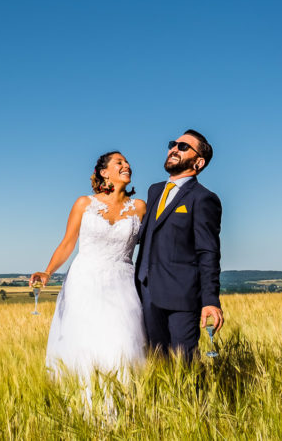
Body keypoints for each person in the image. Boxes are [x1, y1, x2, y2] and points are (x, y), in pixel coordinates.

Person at [30, 152, 148, 379]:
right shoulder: (84, 203)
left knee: (123, 342)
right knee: (85, 343)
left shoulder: (140, 208)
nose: (127, 165)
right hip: (85, 281)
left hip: (122, 283)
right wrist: (48, 271)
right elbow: (67, 243)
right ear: (104, 173)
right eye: (119, 162)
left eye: (127, 162)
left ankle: (121, 407)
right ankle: (84, 408)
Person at [134, 129, 223, 361]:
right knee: (156, 364)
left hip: (181, 298)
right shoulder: (154, 191)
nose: (174, 148)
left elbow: (208, 252)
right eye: (173, 144)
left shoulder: (204, 198)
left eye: (183, 147)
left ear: (199, 162)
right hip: (145, 292)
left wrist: (211, 300)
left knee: (185, 367)